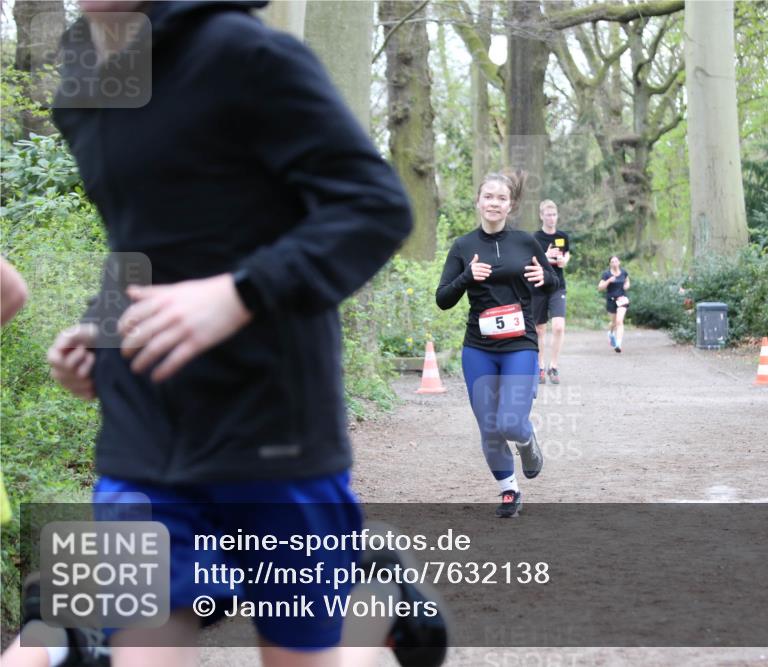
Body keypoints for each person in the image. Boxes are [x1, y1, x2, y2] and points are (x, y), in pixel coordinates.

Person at [43, 2, 444, 666]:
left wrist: (239, 294)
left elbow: (374, 206)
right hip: (143, 436)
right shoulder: (85, 77)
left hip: (271, 427)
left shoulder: (245, 55)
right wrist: (102, 333)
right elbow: (143, 239)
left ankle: (371, 608)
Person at [436, 172, 556, 518]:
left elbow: (550, 281)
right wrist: (466, 277)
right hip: (479, 348)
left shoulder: (525, 242)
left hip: (520, 344)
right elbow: (443, 299)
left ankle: (527, 439)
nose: (494, 203)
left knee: (510, 422)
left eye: (501, 198)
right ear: (478, 201)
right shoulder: (462, 246)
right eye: (488, 196)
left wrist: (545, 277)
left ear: (510, 205)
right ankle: (509, 490)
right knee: (489, 427)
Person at [531, 200, 571, 385]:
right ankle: (540, 367)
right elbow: (530, 260)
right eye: (548, 215)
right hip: (539, 286)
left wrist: (564, 261)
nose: (551, 218)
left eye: (554, 215)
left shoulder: (562, 236)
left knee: (558, 326)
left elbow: (566, 254)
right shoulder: (535, 238)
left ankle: (553, 366)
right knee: (540, 329)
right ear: (541, 216)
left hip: (557, 286)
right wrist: (545, 257)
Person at [598, 256, 630, 353]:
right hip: (611, 300)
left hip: (622, 299)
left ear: (619, 262)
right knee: (614, 323)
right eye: (612, 262)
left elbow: (627, 281)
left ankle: (618, 344)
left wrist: (626, 285)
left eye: (616, 261)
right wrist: (608, 281)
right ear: (610, 264)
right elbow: (600, 288)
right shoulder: (606, 274)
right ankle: (610, 333)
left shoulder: (624, 272)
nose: (614, 263)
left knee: (619, 321)